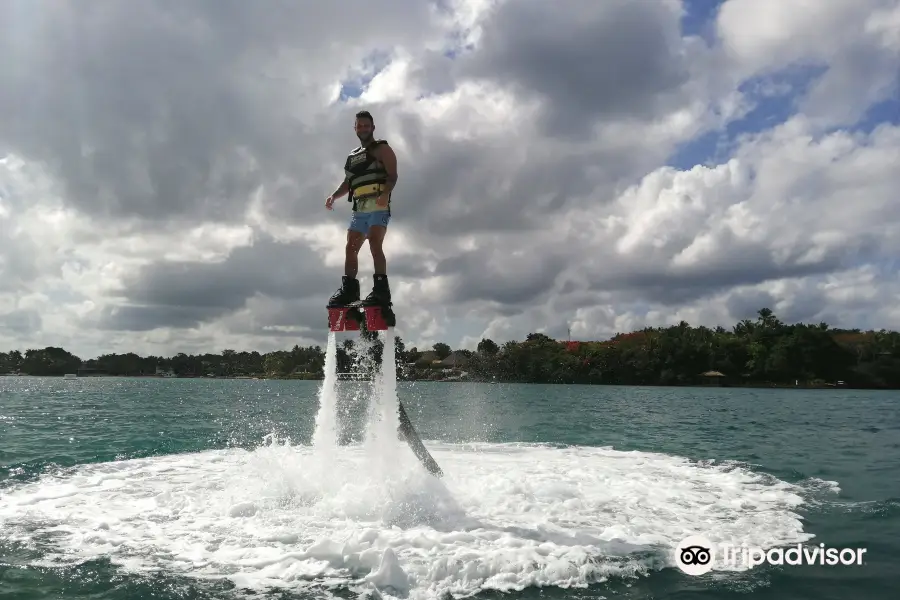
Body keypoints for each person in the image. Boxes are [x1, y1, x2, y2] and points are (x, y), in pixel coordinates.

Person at [325, 110, 398, 307]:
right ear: (355, 128)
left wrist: (385, 194)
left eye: (367, 125)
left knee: (375, 243)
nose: (363, 128)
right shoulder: (352, 156)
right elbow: (348, 183)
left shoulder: (382, 148)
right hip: (360, 209)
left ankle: (381, 290)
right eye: (360, 125)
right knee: (350, 247)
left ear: (373, 127)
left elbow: (393, 176)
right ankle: (349, 290)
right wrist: (333, 196)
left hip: (378, 206)